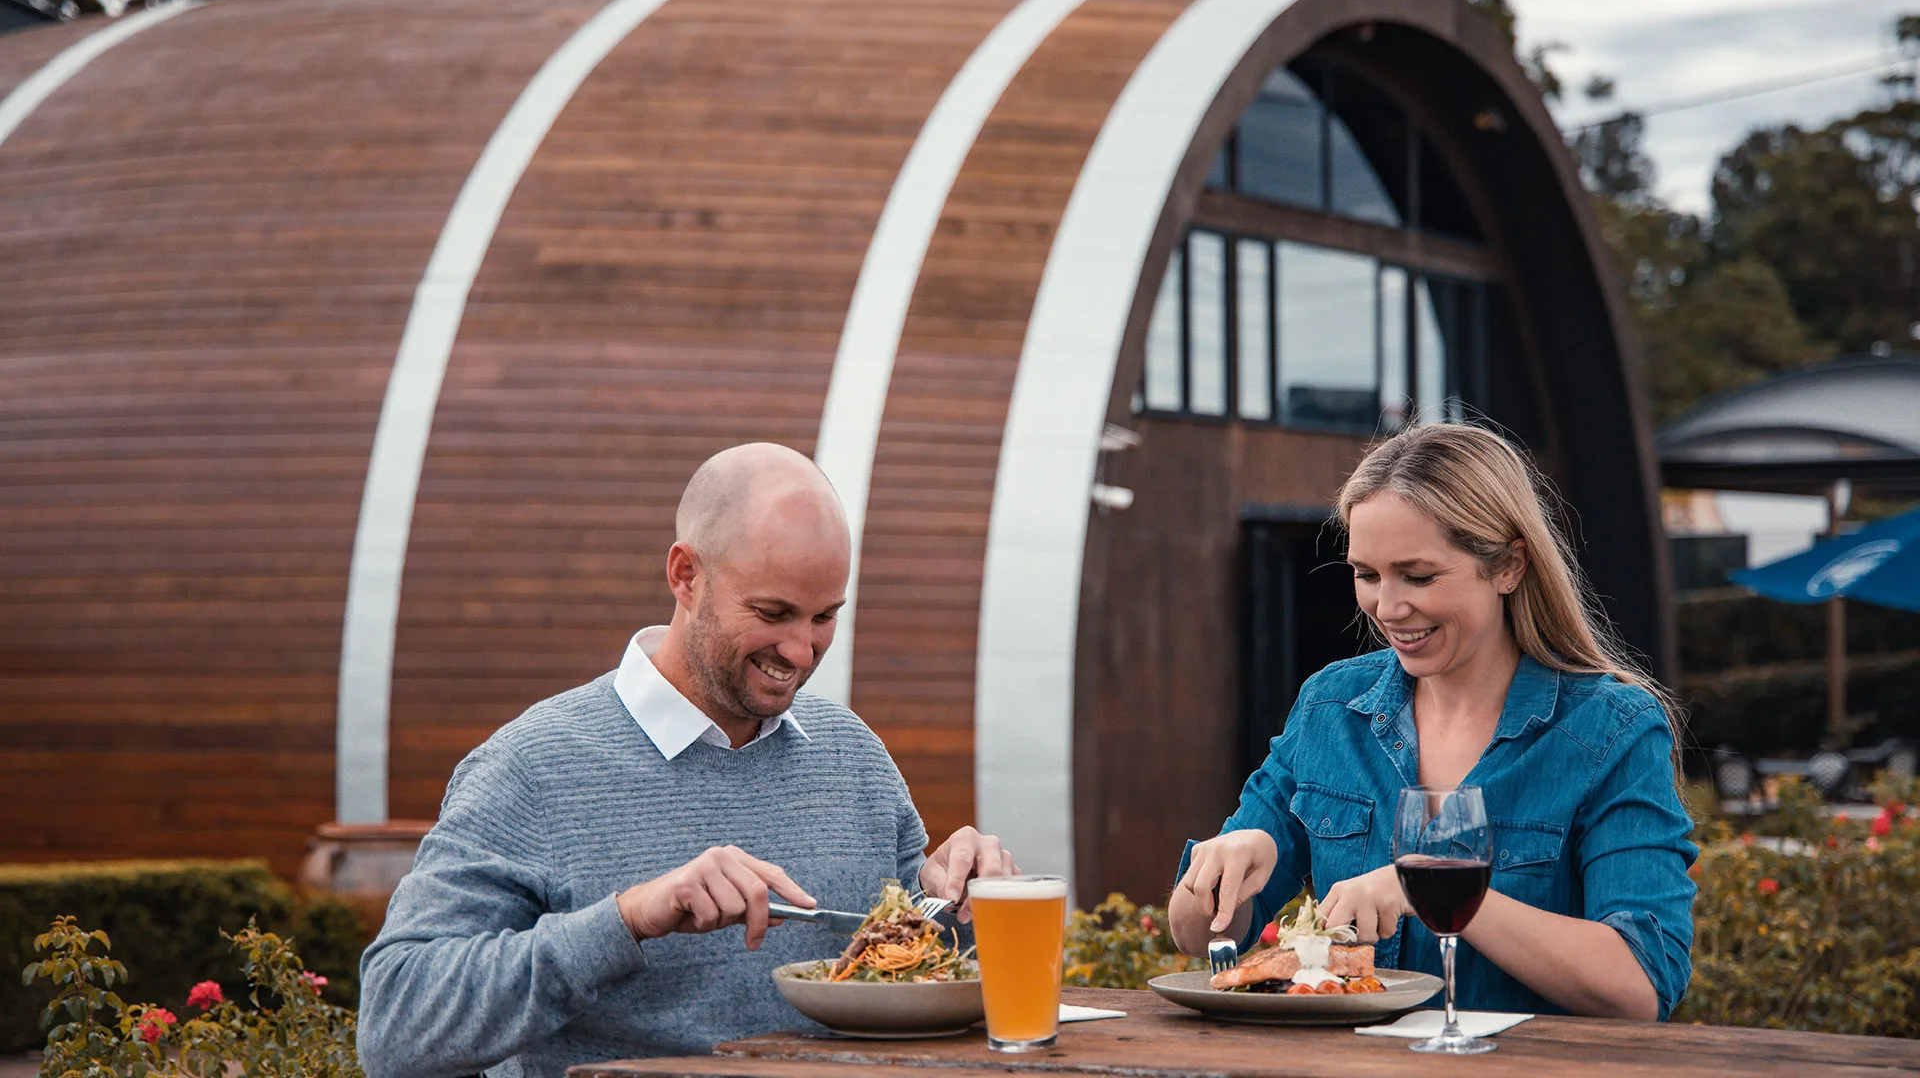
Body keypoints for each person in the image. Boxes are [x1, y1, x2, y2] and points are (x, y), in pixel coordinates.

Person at [358, 443, 1016, 1077]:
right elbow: (394, 1028)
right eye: (773, 612)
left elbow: (914, 970)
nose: (802, 651)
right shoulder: (530, 770)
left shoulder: (852, 755)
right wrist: (628, 919)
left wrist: (954, 904)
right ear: (685, 575)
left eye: (825, 616)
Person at [1168, 423, 1695, 1020]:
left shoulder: (1612, 730)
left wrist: (1438, 890)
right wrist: (1226, 866)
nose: (1388, 609)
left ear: (1509, 567)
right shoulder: (1330, 706)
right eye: (1367, 575)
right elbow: (1198, 937)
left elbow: (1640, 986)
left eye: (1418, 576)